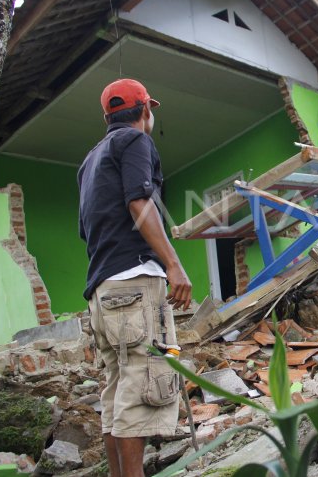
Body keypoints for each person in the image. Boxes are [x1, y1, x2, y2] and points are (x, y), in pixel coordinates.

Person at [78, 78, 192, 477]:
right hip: (136, 282)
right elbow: (139, 202)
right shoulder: (135, 141)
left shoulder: (90, 161)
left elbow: (89, 229)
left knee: (117, 392)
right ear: (145, 109)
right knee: (143, 384)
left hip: (102, 291)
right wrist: (173, 263)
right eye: (151, 109)